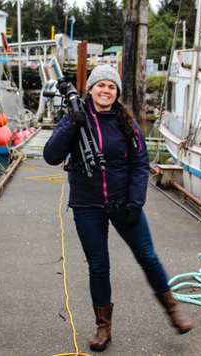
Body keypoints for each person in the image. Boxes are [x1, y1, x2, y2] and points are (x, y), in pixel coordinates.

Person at [43, 65, 192, 352]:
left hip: (124, 203)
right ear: (90, 89)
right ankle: (103, 328)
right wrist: (71, 123)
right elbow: (51, 156)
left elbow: (139, 166)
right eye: (100, 85)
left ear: (117, 92)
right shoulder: (76, 116)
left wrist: (136, 204)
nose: (106, 90)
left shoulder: (127, 123)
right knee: (99, 267)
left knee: (147, 256)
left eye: (111, 86)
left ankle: (173, 312)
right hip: (87, 205)